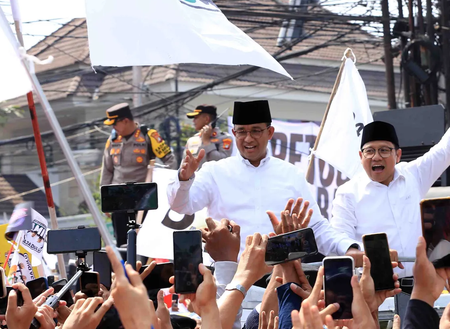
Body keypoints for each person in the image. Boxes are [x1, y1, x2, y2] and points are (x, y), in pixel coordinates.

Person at [168, 100, 359, 259]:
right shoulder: (215, 172)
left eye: (256, 131)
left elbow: (316, 227)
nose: (248, 138)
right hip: (228, 279)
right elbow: (181, 206)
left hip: (278, 279)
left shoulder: (291, 174)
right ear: (234, 134)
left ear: (269, 132)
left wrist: (348, 248)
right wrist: (184, 179)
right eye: (242, 131)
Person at [331, 120, 450, 276]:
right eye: (369, 151)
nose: (376, 157)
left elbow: (444, 150)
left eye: (384, 150)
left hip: (420, 285)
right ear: (361, 156)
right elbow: (338, 244)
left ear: (398, 155)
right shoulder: (347, 193)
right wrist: (374, 254)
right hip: (376, 290)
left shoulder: (414, 175)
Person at [100, 102, 177, 246]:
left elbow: (170, 161)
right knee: (122, 241)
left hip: (144, 198)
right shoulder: (112, 140)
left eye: (115, 124)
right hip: (119, 198)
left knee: (146, 241)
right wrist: (106, 200)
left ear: (125, 120)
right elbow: (107, 170)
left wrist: (162, 184)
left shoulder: (148, 136)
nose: (113, 128)